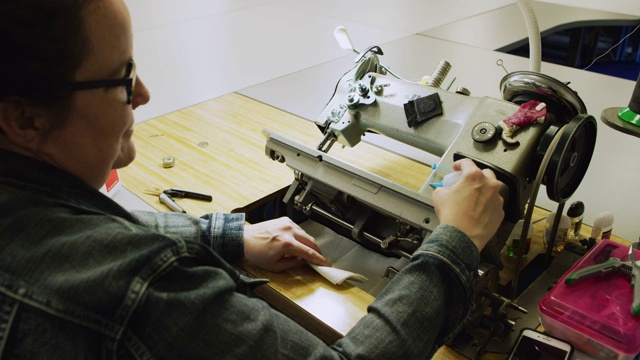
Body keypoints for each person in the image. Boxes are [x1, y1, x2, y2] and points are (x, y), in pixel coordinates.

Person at [0, 0, 505, 358]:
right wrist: (455, 243)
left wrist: (226, 233)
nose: (145, 95)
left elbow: (79, 238)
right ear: (24, 119)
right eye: (122, 78)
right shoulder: (137, 287)